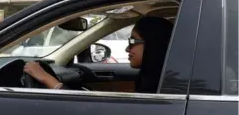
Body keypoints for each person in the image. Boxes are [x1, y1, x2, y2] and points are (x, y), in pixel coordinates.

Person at [23, 16, 173, 93]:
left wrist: (46, 78)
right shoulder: (160, 80)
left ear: (153, 44)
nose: (128, 49)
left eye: (133, 41)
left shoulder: (163, 87)